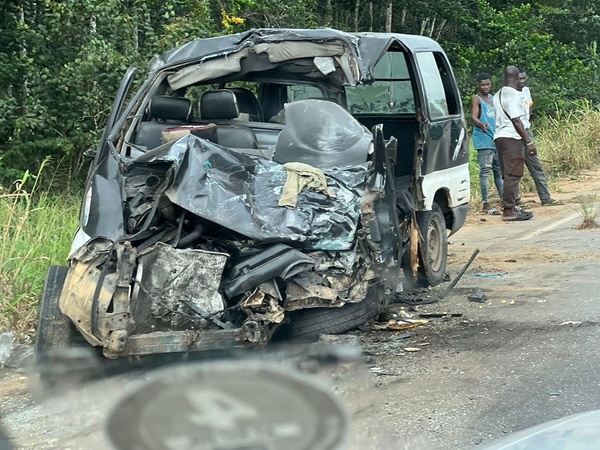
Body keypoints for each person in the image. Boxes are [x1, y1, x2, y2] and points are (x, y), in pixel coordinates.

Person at [493, 66, 534, 221]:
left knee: (507, 174)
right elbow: (517, 121)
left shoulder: (498, 94)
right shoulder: (513, 96)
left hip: (499, 137)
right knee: (513, 174)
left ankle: (511, 206)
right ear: (517, 79)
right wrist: (529, 141)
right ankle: (509, 209)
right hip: (512, 137)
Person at [517, 70, 562, 206]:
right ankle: (514, 201)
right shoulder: (507, 94)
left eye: (524, 78)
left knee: (536, 165)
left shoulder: (526, 91)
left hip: (526, 129)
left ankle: (545, 197)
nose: (522, 81)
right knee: (514, 170)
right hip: (513, 133)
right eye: (519, 78)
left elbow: (529, 107)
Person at [471, 73, 504, 214]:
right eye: (483, 84)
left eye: (488, 84)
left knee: (499, 172)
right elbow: (473, 117)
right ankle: (486, 203)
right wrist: (480, 123)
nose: (486, 87)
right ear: (478, 85)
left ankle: (504, 200)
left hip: (495, 138)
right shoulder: (477, 99)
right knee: (485, 172)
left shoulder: (492, 98)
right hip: (484, 140)